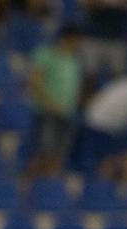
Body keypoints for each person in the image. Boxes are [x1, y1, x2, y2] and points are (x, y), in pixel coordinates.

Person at [24, 23, 83, 181]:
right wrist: (49, 102)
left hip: (67, 114)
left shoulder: (73, 60)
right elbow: (34, 82)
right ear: (68, 39)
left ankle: (49, 190)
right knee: (44, 152)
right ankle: (29, 187)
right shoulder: (45, 54)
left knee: (60, 154)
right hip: (47, 113)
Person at [82, 73, 127, 186]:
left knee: (124, 157)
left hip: (103, 122)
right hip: (101, 124)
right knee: (126, 159)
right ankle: (121, 192)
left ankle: (109, 189)